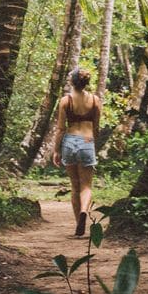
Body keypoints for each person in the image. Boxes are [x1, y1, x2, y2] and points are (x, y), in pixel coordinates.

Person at [52, 66, 100, 237]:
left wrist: (56, 151)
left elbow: (60, 129)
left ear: (72, 82)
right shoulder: (95, 100)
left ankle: (77, 223)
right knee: (86, 186)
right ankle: (84, 213)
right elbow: (96, 127)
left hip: (70, 141)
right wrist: (93, 145)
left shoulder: (66, 101)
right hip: (87, 140)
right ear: (86, 82)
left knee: (74, 185)